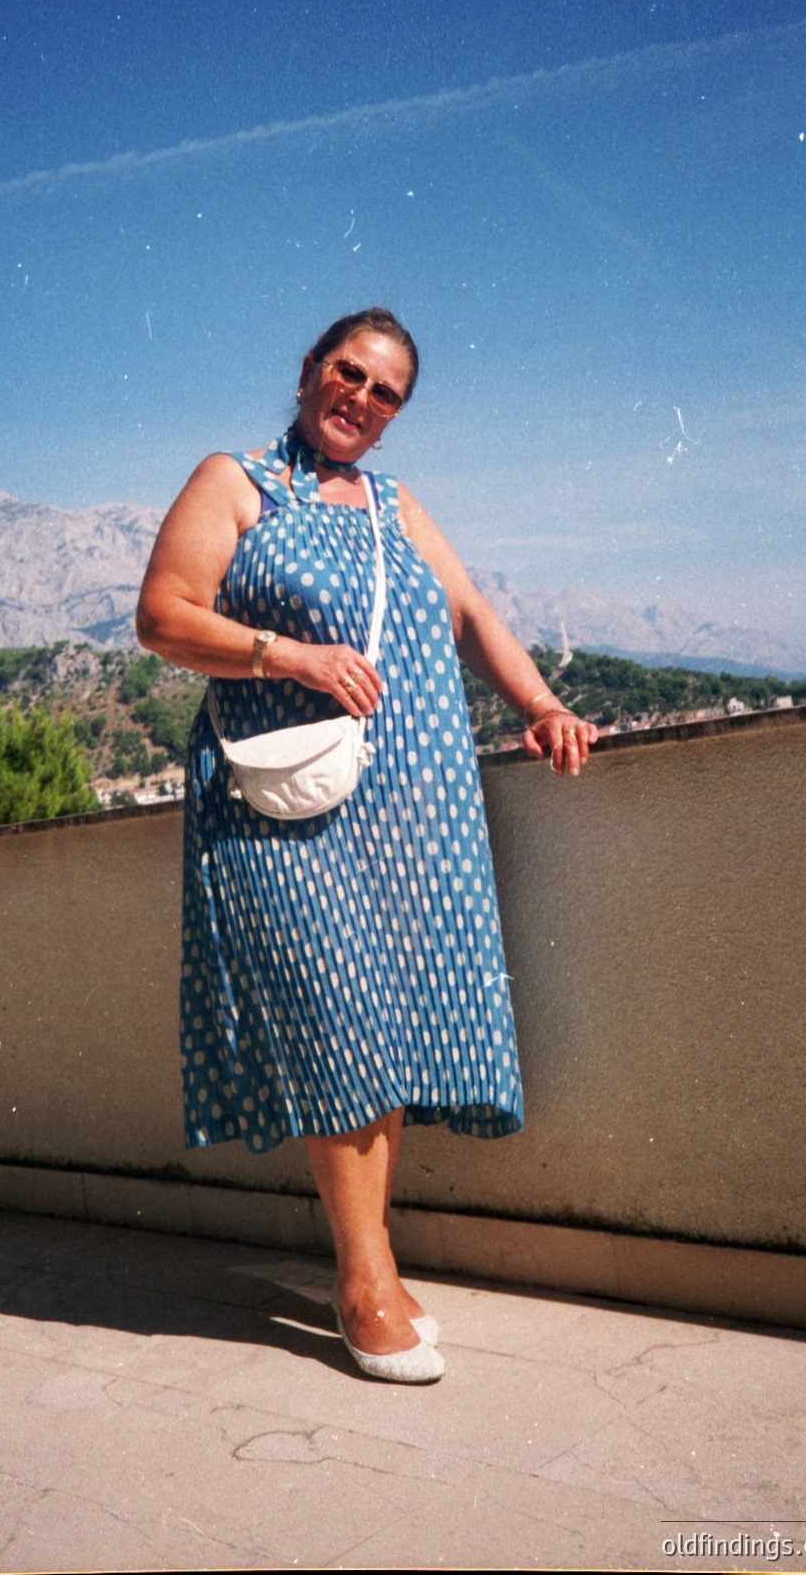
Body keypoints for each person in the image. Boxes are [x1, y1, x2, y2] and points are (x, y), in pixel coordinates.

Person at [136, 308, 597, 1383]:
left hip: (412, 801)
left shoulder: (393, 503)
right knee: (337, 1015)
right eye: (349, 372)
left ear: (392, 420)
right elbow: (162, 614)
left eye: (384, 392)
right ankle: (361, 1280)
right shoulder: (235, 480)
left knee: (390, 1019)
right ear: (308, 371)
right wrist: (288, 653)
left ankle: (371, 1259)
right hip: (280, 800)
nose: (361, 397)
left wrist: (538, 702)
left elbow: (467, 608)